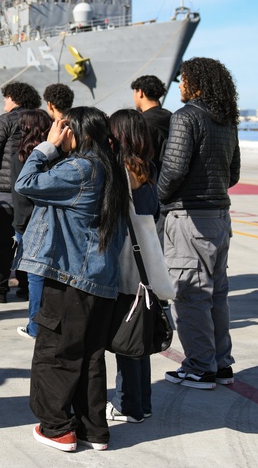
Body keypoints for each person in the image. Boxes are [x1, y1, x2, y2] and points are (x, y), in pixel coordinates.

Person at [16, 107, 128, 452]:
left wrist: (46, 147)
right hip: (100, 280)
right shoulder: (110, 168)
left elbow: (25, 184)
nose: (60, 134)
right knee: (91, 355)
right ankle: (93, 429)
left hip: (70, 278)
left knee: (55, 352)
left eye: (66, 129)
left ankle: (57, 428)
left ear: (81, 133)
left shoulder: (80, 167)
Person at [158, 58, 240, 390]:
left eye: (183, 80)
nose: (179, 86)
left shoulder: (186, 116)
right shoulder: (227, 121)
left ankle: (199, 367)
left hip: (189, 218)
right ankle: (220, 364)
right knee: (217, 294)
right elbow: (233, 174)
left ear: (197, 83)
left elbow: (174, 169)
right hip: (220, 217)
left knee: (191, 295)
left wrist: (158, 197)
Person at [107, 109, 160, 422]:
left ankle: (128, 404)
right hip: (146, 261)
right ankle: (143, 401)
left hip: (126, 261)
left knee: (126, 334)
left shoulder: (123, 169)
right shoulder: (148, 168)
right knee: (139, 332)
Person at [0, 81, 41, 303]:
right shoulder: (42, 120)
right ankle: (27, 286)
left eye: (7, 97)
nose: (5, 100)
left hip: (5, 191)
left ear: (16, 98)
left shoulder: (5, 121)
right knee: (28, 241)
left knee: (0, 242)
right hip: (34, 191)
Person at [9, 109, 53, 339]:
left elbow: (18, 193)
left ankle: (35, 326)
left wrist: (19, 225)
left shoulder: (21, 155)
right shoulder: (55, 155)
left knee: (35, 277)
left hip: (27, 222)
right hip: (50, 220)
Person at [131, 75, 172, 175]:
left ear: (140, 92)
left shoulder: (140, 121)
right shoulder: (172, 117)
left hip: (148, 178)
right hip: (168, 177)